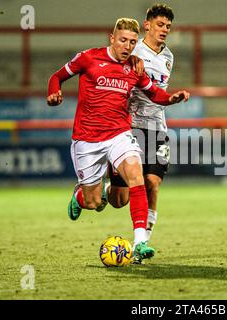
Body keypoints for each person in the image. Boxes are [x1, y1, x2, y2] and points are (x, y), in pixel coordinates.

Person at [46, 18, 190, 263]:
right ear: (111, 38)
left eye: (133, 42)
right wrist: (53, 91)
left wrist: (171, 98)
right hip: (87, 139)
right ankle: (81, 196)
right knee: (94, 202)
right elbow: (56, 76)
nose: (127, 46)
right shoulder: (88, 58)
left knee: (136, 175)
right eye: (123, 40)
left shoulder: (135, 67)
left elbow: (154, 93)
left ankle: (140, 242)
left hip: (119, 135)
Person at [105, 4, 176, 246]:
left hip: (157, 128)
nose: (164, 29)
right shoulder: (132, 51)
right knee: (118, 200)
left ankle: (142, 242)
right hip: (130, 126)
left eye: (168, 26)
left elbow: (157, 91)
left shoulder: (168, 56)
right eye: (160, 24)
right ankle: (100, 190)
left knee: (152, 183)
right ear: (147, 25)